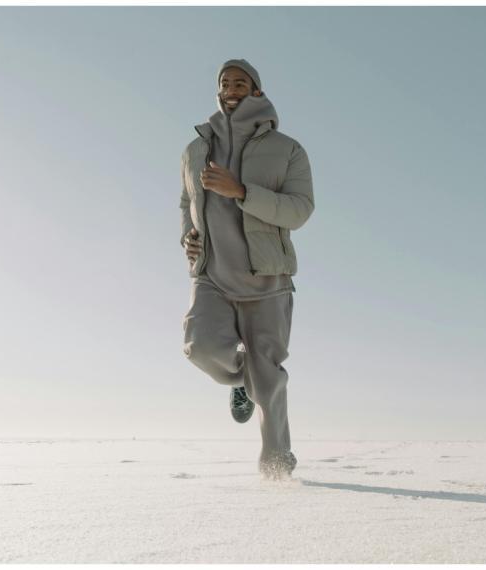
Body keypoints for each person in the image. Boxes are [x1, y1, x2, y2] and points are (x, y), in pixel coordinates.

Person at [179, 58, 314, 479]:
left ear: (256, 90)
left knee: (269, 381)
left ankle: (277, 470)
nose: (232, 87)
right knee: (199, 347)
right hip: (213, 276)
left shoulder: (287, 149)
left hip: (267, 282)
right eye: (225, 82)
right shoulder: (196, 148)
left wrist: (241, 191)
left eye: (241, 81)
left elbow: (300, 210)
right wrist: (188, 235)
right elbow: (186, 202)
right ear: (218, 91)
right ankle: (242, 381)